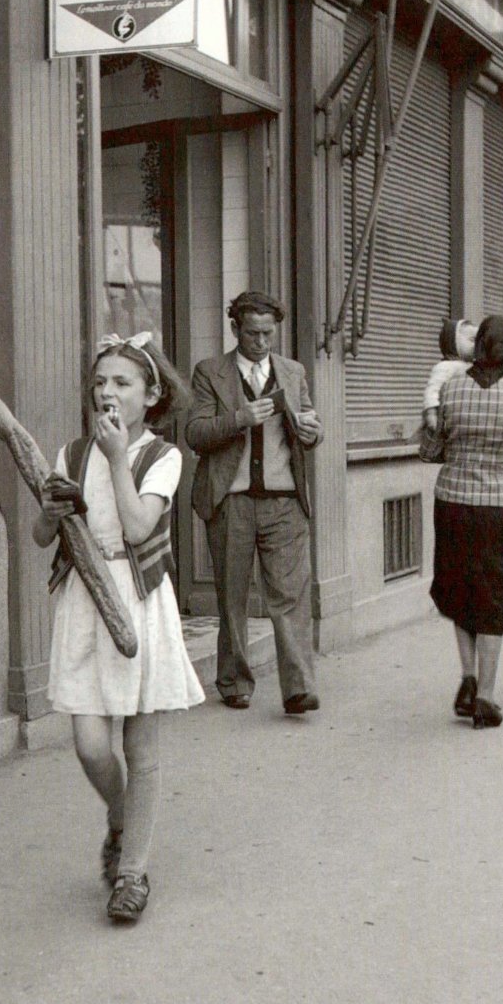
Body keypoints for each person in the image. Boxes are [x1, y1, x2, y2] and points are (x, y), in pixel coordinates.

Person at [33, 332, 204, 924]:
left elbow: (136, 527)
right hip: (85, 597)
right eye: (100, 381)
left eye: (122, 383)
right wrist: (50, 513)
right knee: (89, 743)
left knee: (141, 745)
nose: (107, 392)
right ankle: (121, 814)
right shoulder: (72, 453)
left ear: (151, 396)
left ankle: (132, 873)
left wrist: (116, 458)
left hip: (138, 600)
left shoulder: (163, 456)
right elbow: (42, 536)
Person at [185, 291, 324, 715]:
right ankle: (234, 681)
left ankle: (298, 688)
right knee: (232, 597)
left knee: (291, 596)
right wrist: (239, 419)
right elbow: (195, 434)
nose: (261, 342)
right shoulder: (210, 371)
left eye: (268, 333)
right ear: (235, 329)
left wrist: (312, 432)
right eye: (252, 333)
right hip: (232, 501)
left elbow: (309, 422)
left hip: (285, 502)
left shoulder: (293, 371)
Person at [419, 314, 503, 729]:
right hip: (502, 508)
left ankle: (467, 678)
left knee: (460, 588)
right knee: (495, 595)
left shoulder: (451, 387)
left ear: (477, 345)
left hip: (453, 504)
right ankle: (486, 698)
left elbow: (432, 451)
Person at [422, 318, 478, 433]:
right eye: (472, 340)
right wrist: (431, 413)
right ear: (453, 343)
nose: (477, 345)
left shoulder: (474, 366)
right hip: (446, 419)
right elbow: (432, 391)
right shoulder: (446, 366)